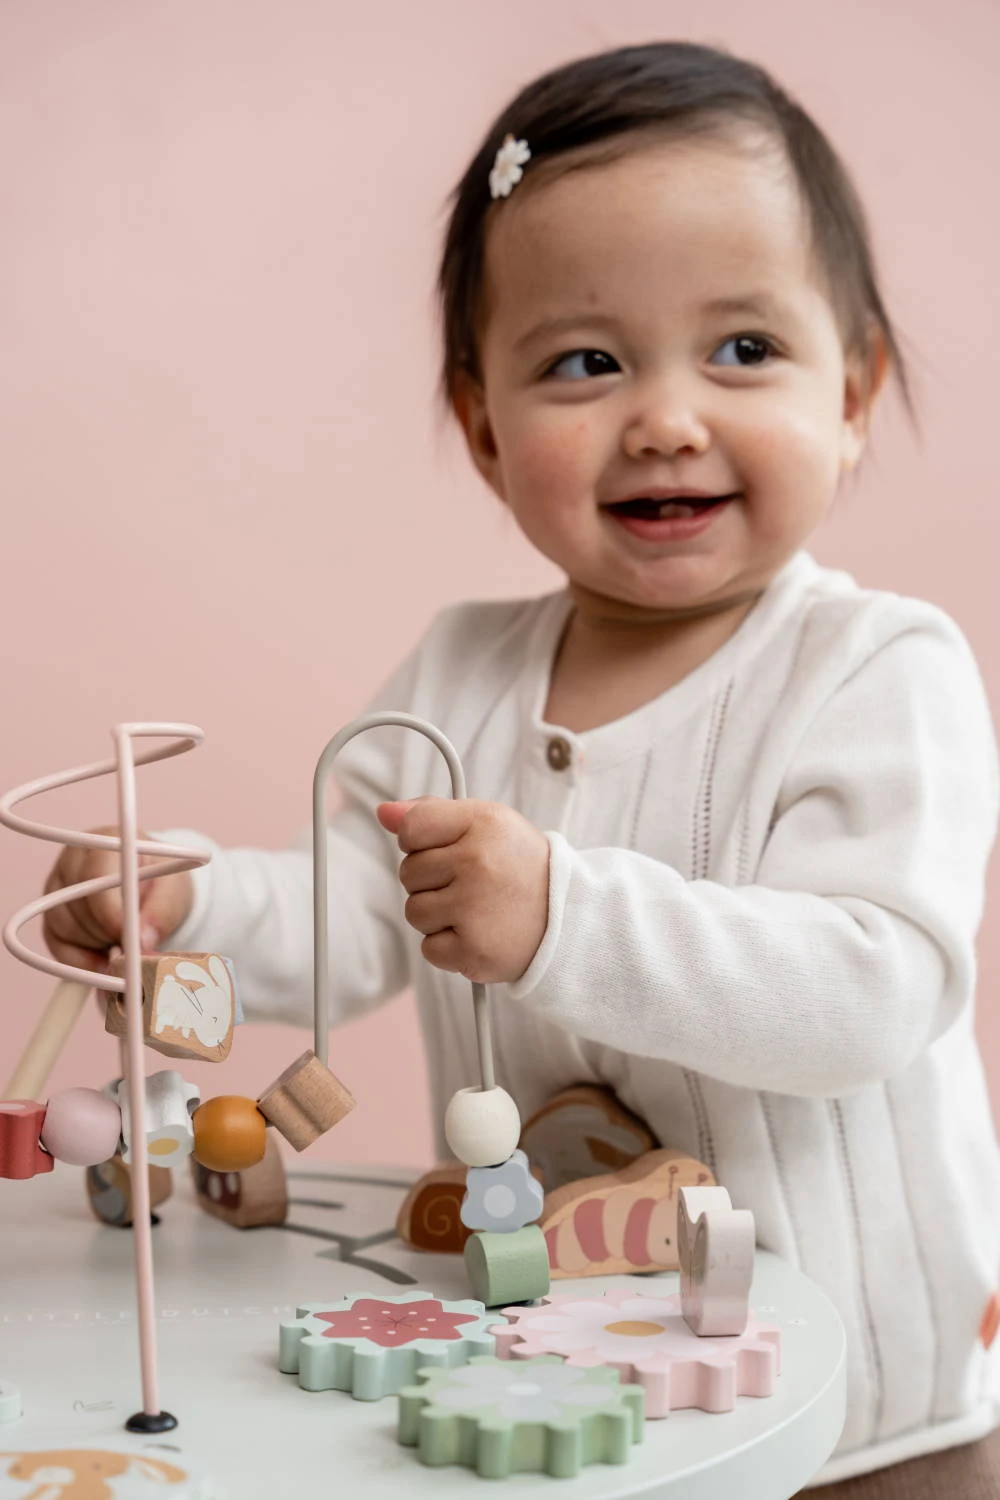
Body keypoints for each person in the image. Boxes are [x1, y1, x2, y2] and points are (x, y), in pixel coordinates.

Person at [42, 41, 1000, 1494]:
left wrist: (560, 914)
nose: (666, 415)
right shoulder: (461, 671)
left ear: (854, 388)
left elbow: (871, 990)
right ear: (486, 427)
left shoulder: (878, 671)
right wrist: (192, 906)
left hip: (865, 1406)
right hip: (560, 1383)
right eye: (584, 362)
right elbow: (359, 912)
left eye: (744, 347)